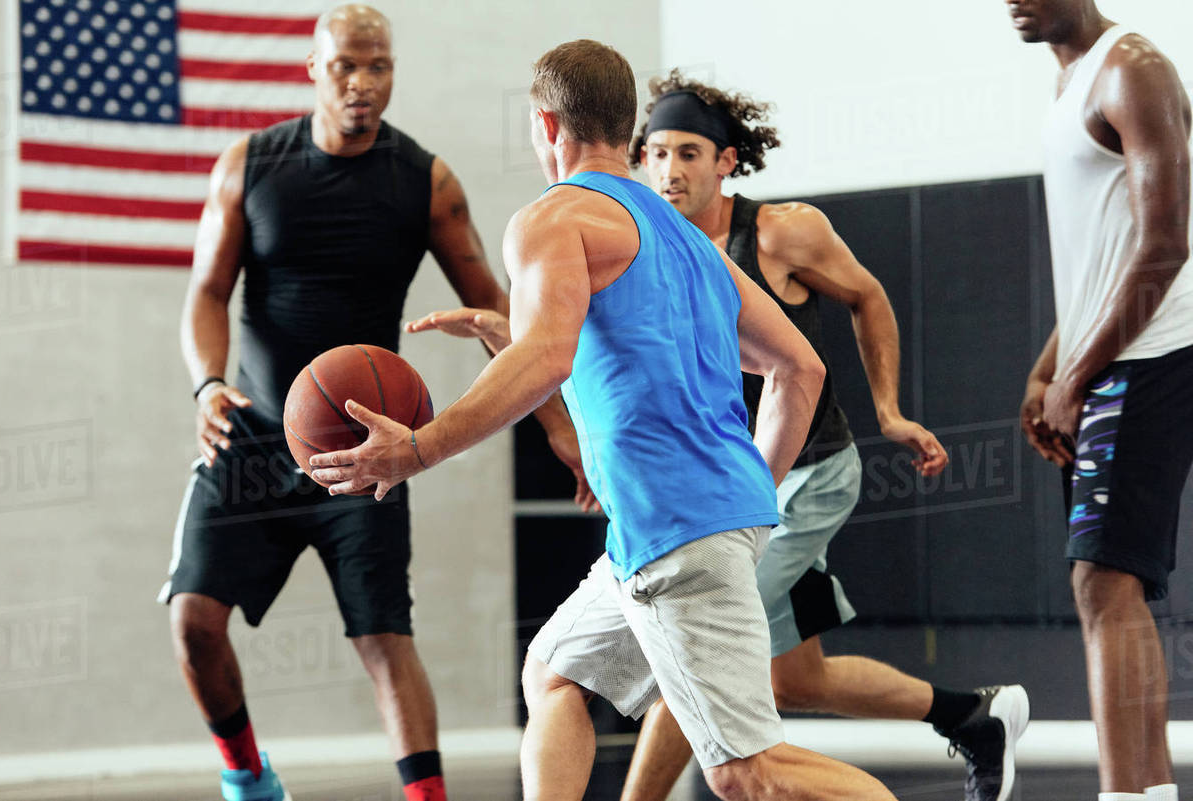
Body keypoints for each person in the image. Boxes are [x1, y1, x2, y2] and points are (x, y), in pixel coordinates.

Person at [309, 38, 898, 801]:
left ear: (547, 125)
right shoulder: (689, 237)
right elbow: (799, 369)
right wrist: (749, 492)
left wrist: (418, 448)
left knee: (745, 771)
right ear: (627, 131)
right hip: (679, 528)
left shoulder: (550, 219)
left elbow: (548, 358)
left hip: (677, 527)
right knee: (553, 671)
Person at [159, 6, 590, 801]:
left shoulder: (425, 182)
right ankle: (247, 775)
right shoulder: (248, 166)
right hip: (250, 434)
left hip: (366, 449)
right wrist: (208, 381)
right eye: (348, 65)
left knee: (385, 638)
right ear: (314, 69)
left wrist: (562, 429)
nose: (364, 82)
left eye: (380, 66)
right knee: (191, 620)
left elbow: (501, 312)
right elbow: (207, 293)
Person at [593, 72, 1029, 801]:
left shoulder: (778, 231)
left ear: (726, 161)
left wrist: (888, 409)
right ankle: (975, 714)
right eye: (658, 153)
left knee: (692, 643)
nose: (671, 171)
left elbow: (870, 296)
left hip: (809, 475)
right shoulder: (646, 239)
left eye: (691, 154)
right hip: (732, 486)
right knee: (797, 677)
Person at [1009, 2, 1193, 800]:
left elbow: (1166, 241)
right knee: (1117, 584)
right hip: (1112, 359)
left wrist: (1077, 376)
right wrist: (1048, 368)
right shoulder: (1072, 82)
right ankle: (1145, 792)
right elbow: (1104, 255)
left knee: (1103, 583)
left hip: (1149, 358)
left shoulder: (1132, 69)